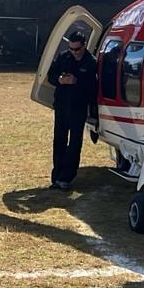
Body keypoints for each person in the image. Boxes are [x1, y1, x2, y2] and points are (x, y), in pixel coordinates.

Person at [46, 31, 97, 190]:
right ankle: (57, 176)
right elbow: (50, 75)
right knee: (59, 141)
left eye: (77, 49)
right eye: (71, 49)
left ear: (84, 46)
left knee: (75, 143)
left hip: (78, 108)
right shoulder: (63, 57)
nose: (74, 52)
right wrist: (60, 80)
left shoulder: (91, 62)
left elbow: (93, 88)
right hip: (61, 106)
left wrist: (77, 81)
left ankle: (67, 177)